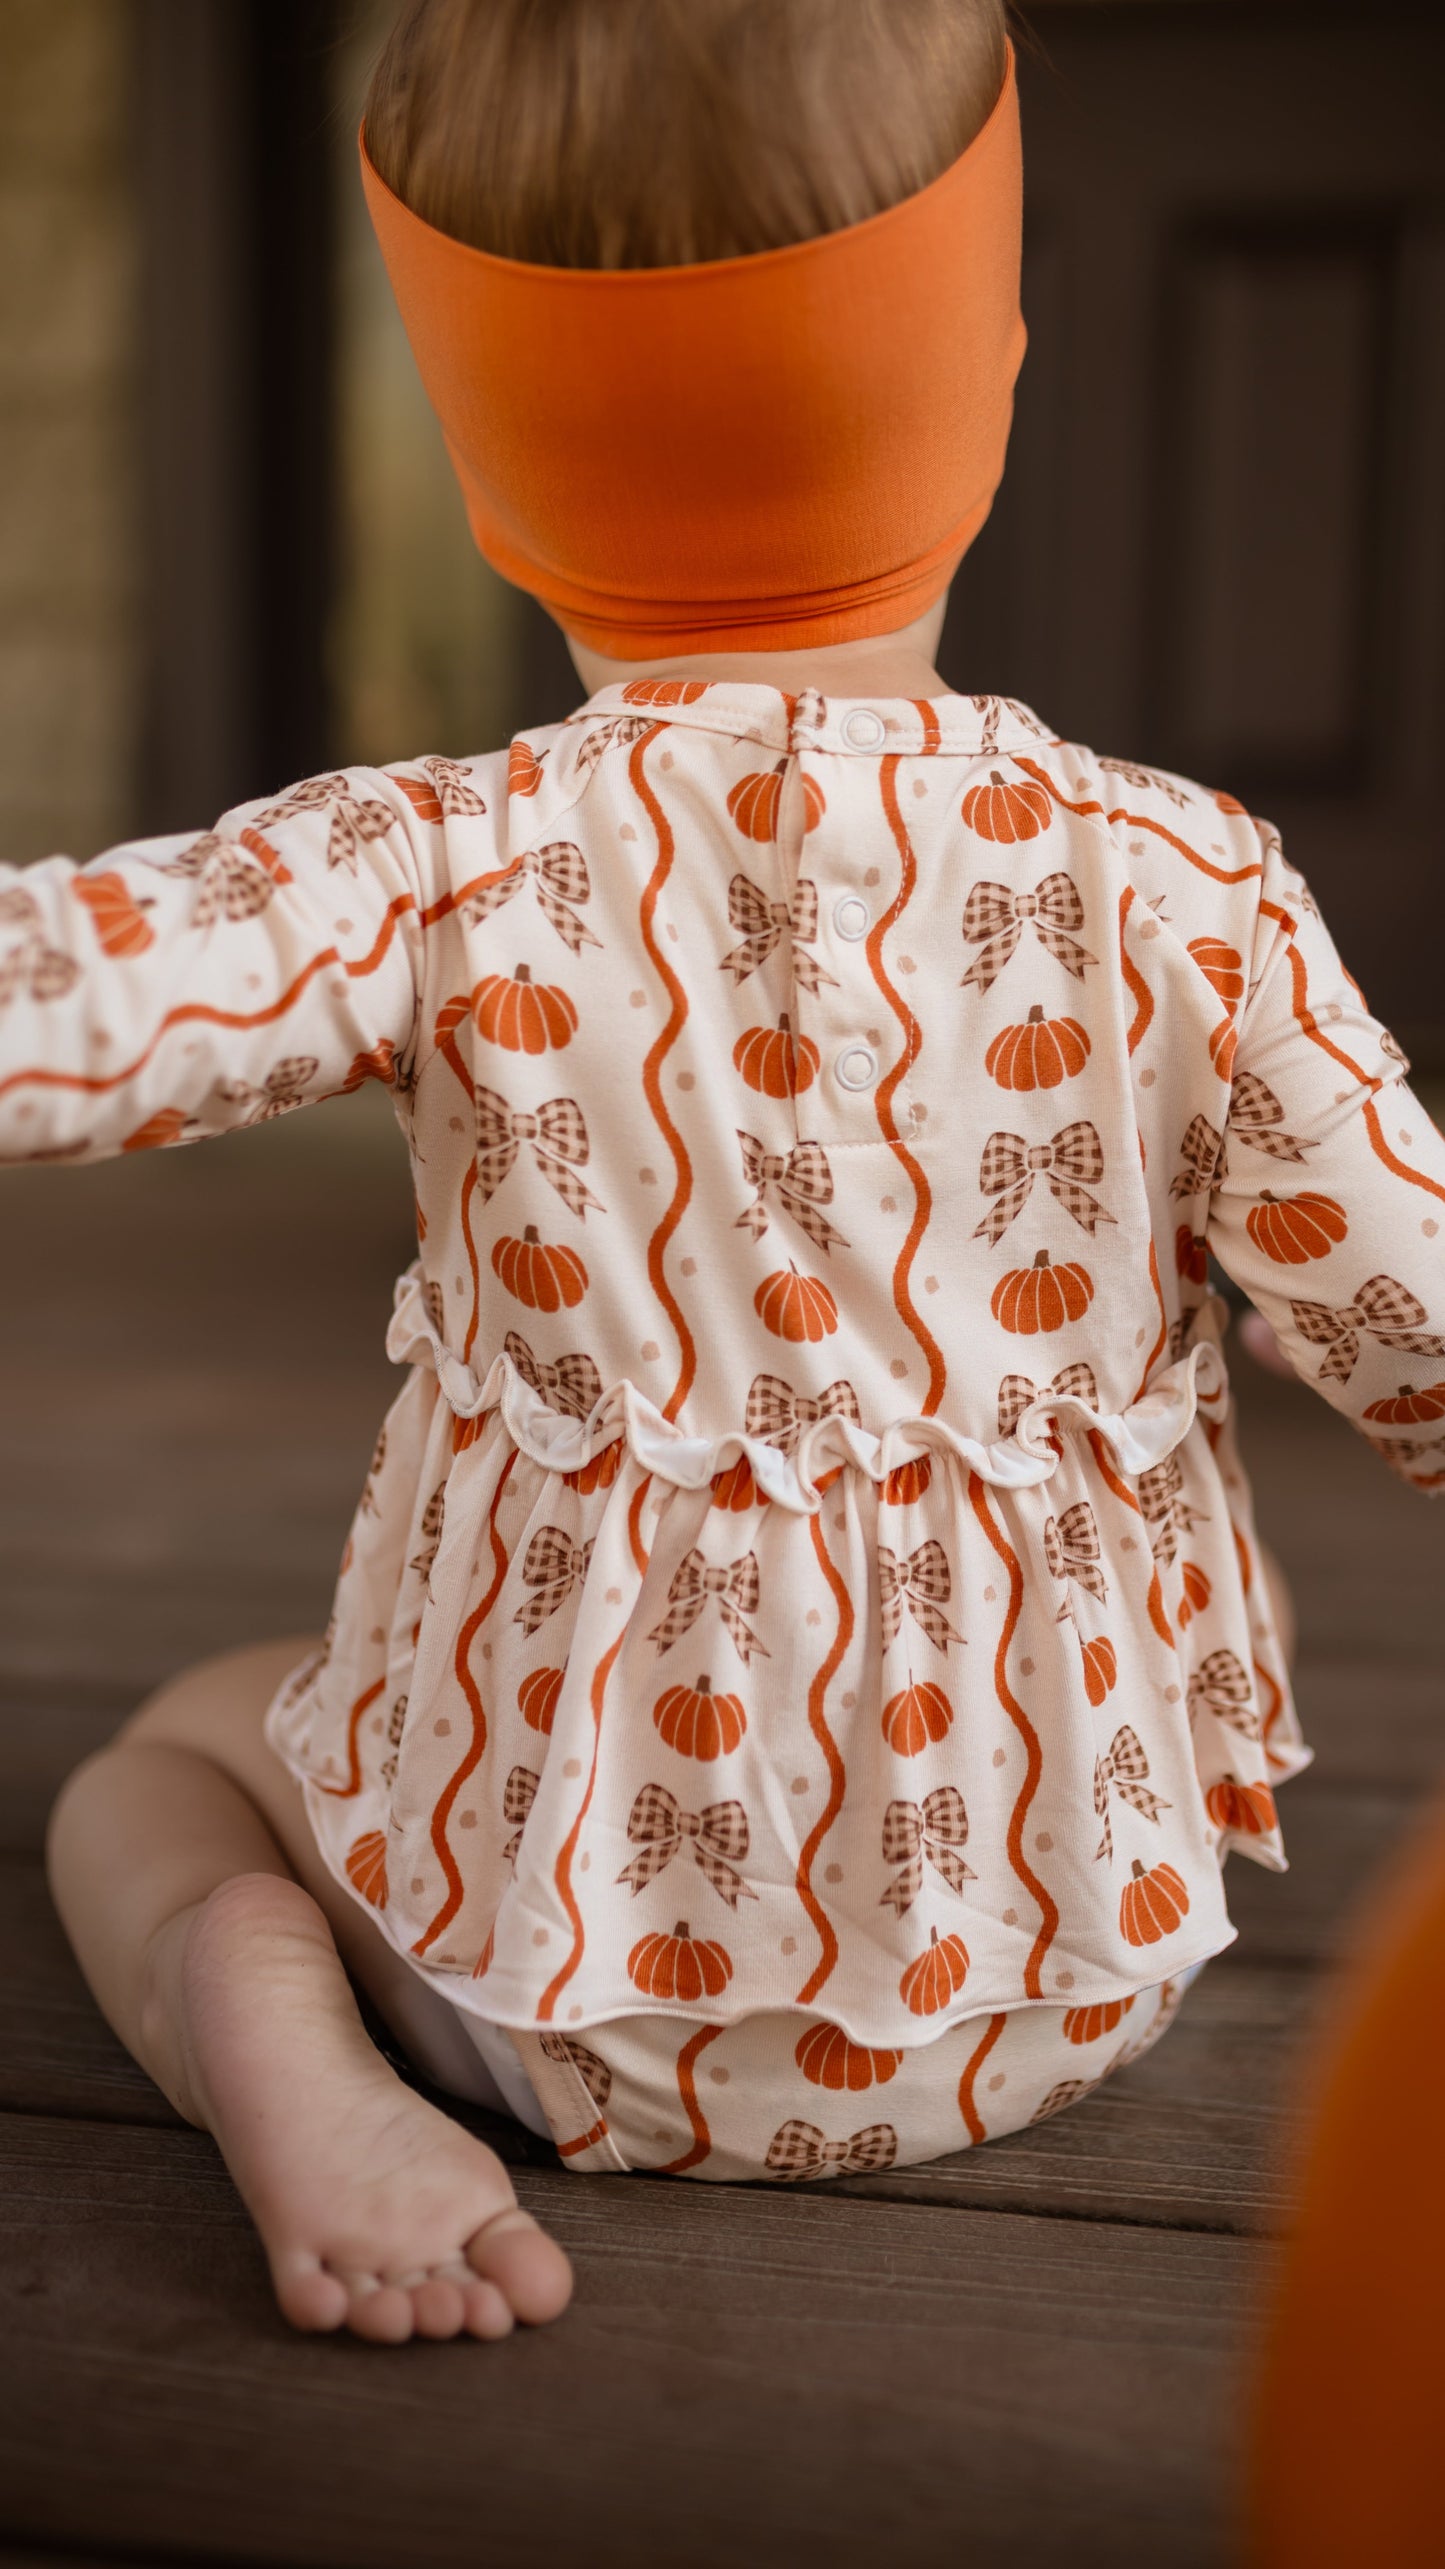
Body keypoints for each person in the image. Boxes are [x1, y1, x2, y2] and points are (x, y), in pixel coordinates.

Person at [9, 0, 1442, 2347]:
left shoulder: (440, 859)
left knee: (163, 1753)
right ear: (987, 372)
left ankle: (260, 2011)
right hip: (1066, 1966)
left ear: (485, 463)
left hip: (537, 2002)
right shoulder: (1176, 880)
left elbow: (76, 992)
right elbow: (1430, 1335)